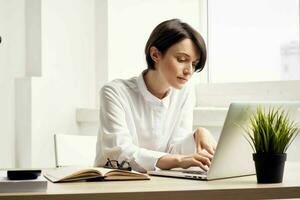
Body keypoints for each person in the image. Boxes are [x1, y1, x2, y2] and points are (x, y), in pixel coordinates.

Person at [94, 19, 217, 173]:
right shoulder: (114, 92)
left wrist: (198, 133)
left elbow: (175, 149)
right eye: (182, 60)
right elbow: (119, 152)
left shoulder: (185, 93)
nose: (189, 70)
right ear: (155, 54)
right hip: (116, 185)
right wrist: (178, 160)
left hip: (161, 185)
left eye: (194, 63)